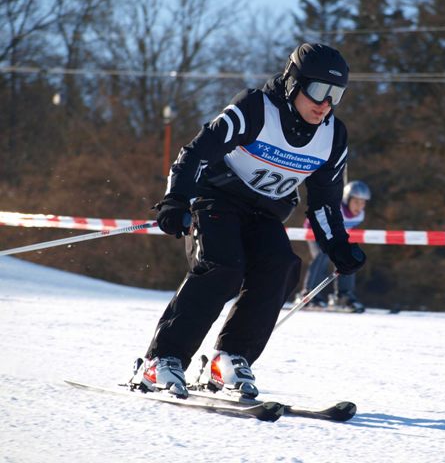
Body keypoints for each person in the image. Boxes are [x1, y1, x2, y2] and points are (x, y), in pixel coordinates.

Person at [140, 43, 366, 399]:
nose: (325, 103)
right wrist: (176, 199)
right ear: (293, 83)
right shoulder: (256, 109)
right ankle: (162, 360)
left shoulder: (332, 136)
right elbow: (196, 153)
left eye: (335, 94)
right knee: (223, 266)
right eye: (318, 89)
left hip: (264, 212)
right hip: (217, 197)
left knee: (281, 266)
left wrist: (337, 245)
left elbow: (324, 201)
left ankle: (230, 358)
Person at [297, 180, 371, 312]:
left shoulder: (360, 215)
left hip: (334, 236)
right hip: (316, 232)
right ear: (347, 199)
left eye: (363, 202)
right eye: (356, 201)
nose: (359, 206)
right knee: (322, 256)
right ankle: (308, 294)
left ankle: (343, 295)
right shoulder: (337, 208)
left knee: (348, 258)